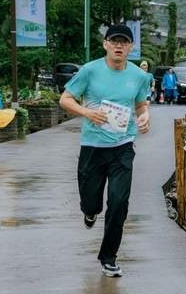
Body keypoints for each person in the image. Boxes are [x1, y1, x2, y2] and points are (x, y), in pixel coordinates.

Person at [59, 24, 150, 278]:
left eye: (124, 42)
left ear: (131, 47)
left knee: (119, 202)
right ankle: (90, 211)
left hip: (123, 147)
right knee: (91, 202)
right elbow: (65, 99)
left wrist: (145, 116)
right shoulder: (89, 71)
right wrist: (87, 112)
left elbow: (141, 104)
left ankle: (109, 257)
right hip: (92, 147)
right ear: (106, 44)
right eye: (114, 41)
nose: (119, 46)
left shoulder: (139, 76)